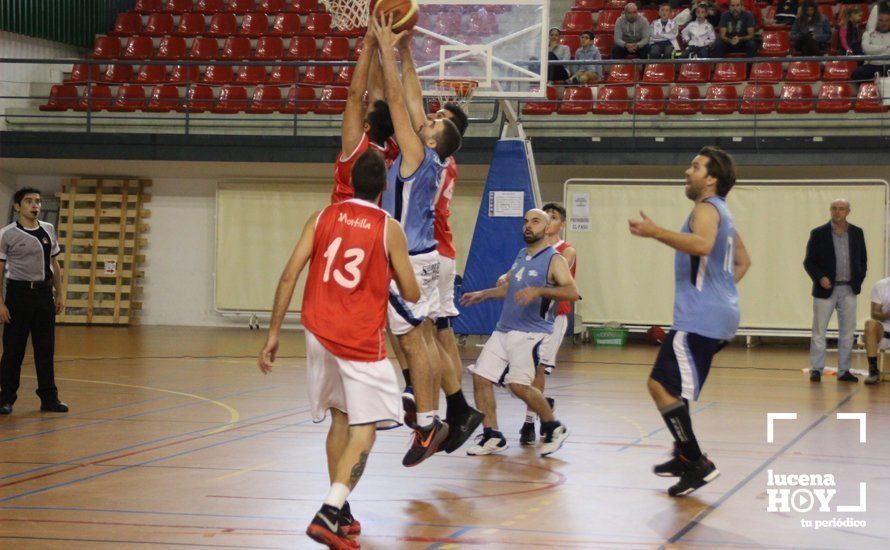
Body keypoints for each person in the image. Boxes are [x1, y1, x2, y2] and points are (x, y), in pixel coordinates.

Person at [258, 149, 419, 548]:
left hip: (315, 331)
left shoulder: (321, 216)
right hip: (358, 339)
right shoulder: (388, 227)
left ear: (349, 180)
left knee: (341, 418)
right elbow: (412, 291)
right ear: (384, 186)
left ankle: (342, 508)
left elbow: (288, 275)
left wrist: (273, 333)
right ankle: (329, 512)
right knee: (367, 429)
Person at [372, 15, 475, 466]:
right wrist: (407, 52)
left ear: (434, 139)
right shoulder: (432, 154)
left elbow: (398, 103)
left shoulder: (418, 153)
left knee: (415, 342)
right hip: (427, 254)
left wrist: (383, 50)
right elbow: (413, 102)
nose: (426, 119)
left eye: (431, 123)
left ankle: (430, 423)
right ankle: (431, 407)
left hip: (411, 258)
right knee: (427, 340)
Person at [628, 146, 751, 497]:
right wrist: (721, 292)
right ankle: (683, 454)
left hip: (699, 318)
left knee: (660, 386)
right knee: (673, 387)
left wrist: (655, 232)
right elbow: (743, 261)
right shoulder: (723, 212)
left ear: (711, 179)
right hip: (717, 314)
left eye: (695, 167)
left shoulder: (705, 209)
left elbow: (701, 245)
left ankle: (696, 462)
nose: (687, 171)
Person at [460, 209, 579, 457]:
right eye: (526, 221)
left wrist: (539, 291)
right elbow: (511, 289)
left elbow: (571, 292)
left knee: (518, 385)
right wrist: (484, 294)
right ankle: (492, 435)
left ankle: (553, 426)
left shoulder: (554, 259)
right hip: (504, 329)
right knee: (481, 377)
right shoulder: (522, 255)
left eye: (535, 222)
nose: (528, 226)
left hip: (531, 333)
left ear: (547, 229)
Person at [0, 188, 67, 415]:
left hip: (43, 296)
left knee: (45, 350)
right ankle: (6, 398)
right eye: (28, 201)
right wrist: (0, 303)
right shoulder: (6, 234)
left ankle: (49, 398)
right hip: (18, 296)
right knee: (13, 350)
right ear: (18, 206)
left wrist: (59, 293)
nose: (35, 205)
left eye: (37, 201)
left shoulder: (48, 229)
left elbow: (55, 265)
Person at [519, 203, 576, 446]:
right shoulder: (531, 250)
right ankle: (544, 405)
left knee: (538, 370)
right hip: (530, 317)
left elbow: (550, 272)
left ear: (561, 224)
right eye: (545, 217)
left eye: (553, 218)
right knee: (522, 373)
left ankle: (529, 422)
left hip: (554, 318)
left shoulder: (565, 251)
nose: (548, 221)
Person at [803, 199, 867, 383]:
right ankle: (816, 369)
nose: (837, 212)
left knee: (847, 332)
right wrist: (819, 277)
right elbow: (809, 262)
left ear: (848, 211)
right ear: (830, 211)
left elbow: (862, 261)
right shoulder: (819, 233)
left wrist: (858, 280)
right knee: (819, 331)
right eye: (834, 209)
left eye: (841, 209)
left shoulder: (857, 233)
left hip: (848, 289)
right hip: (825, 290)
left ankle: (844, 370)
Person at [332, 28, 397, 204]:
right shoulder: (393, 147)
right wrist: (378, 45)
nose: (365, 105)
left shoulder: (358, 148)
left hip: (343, 220)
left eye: (366, 107)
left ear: (367, 126)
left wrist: (368, 44)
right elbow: (377, 92)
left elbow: (354, 97)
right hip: (374, 220)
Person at [862, 276, 890, 385]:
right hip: (886, 327)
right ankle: (873, 371)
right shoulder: (881, 285)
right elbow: (874, 313)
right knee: (870, 324)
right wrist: (887, 314)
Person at [851, 5, 890, 81]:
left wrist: (874, 49)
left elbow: (870, 49)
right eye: (881, 20)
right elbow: (866, 49)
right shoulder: (868, 34)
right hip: (873, 64)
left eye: (886, 20)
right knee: (856, 74)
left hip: (889, 64)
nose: (883, 23)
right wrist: (885, 48)